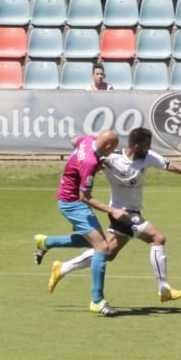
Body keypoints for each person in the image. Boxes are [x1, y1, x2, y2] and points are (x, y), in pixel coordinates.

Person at [47, 127, 181, 304]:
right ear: (135, 146)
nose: (149, 148)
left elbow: (174, 167)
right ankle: (164, 289)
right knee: (157, 238)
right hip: (121, 213)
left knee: (107, 253)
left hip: (133, 211)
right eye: (146, 145)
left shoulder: (148, 158)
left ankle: (62, 268)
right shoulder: (111, 157)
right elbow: (86, 159)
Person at [32, 130, 124, 316]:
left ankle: (46, 242)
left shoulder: (88, 140)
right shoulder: (89, 162)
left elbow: (74, 141)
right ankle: (97, 301)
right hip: (73, 203)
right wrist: (112, 210)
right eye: (113, 149)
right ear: (107, 146)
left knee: (92, 241)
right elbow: (85, 197)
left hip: (68, 198)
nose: (113, 152)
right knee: (101, 247)